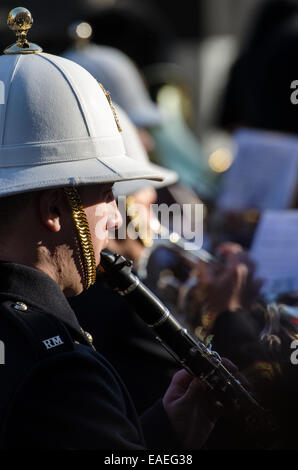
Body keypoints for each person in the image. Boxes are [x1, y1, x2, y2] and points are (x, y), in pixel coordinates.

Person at [0, 7, 228, 450]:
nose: (116, 215)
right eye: (105, 193)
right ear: (53, 208)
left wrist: (165, 431)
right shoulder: (61, 370)